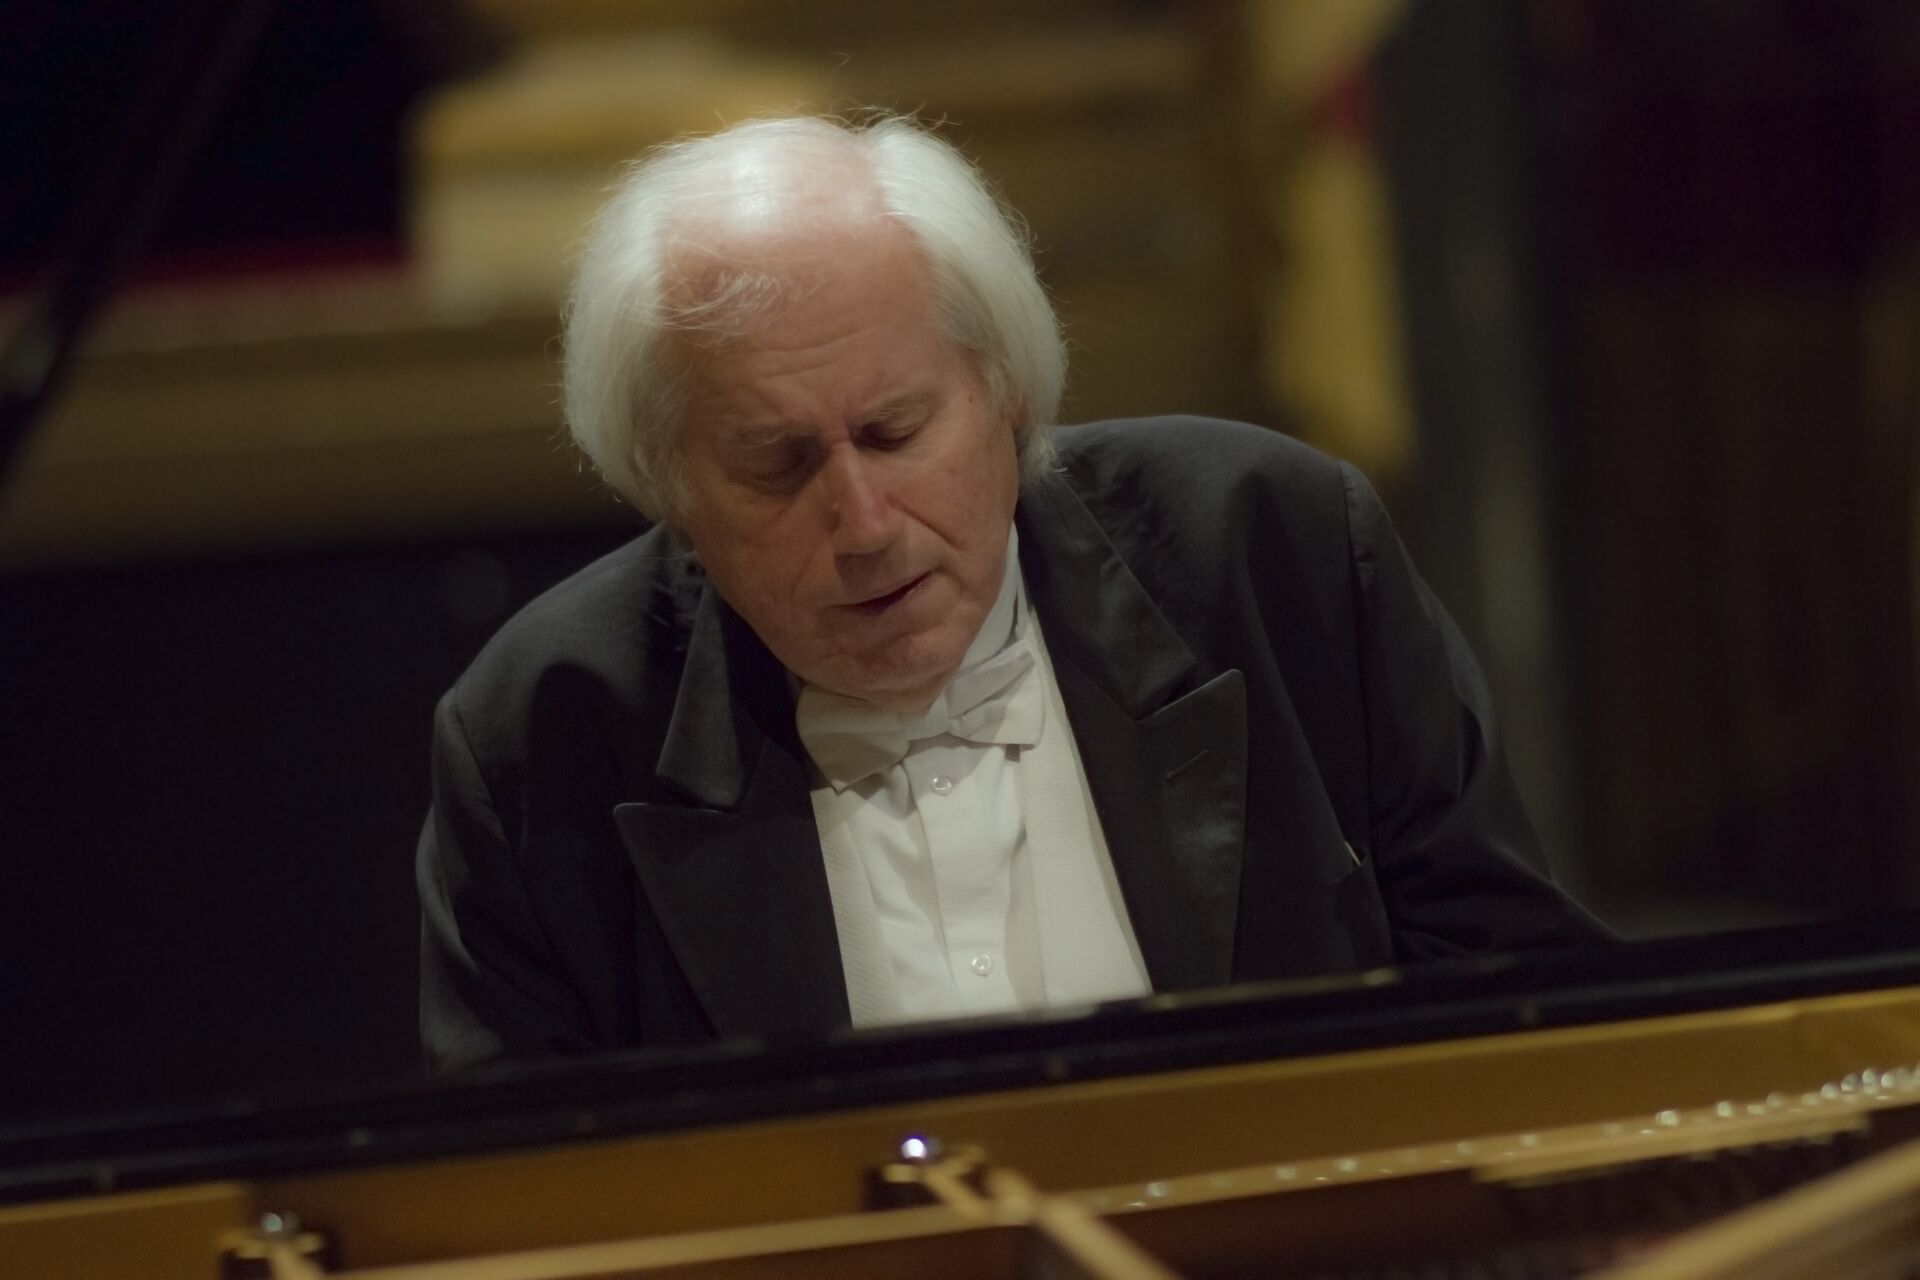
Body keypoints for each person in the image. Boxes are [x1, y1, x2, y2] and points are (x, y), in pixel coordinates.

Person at [416, 114, 1608, 1073]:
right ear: (668, 484)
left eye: (896, 430)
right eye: (778, 465)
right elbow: (525, 1194)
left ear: (1006, 389)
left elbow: (1523, 1017)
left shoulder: (1276, 553)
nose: (865, 525)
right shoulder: (543, 737)